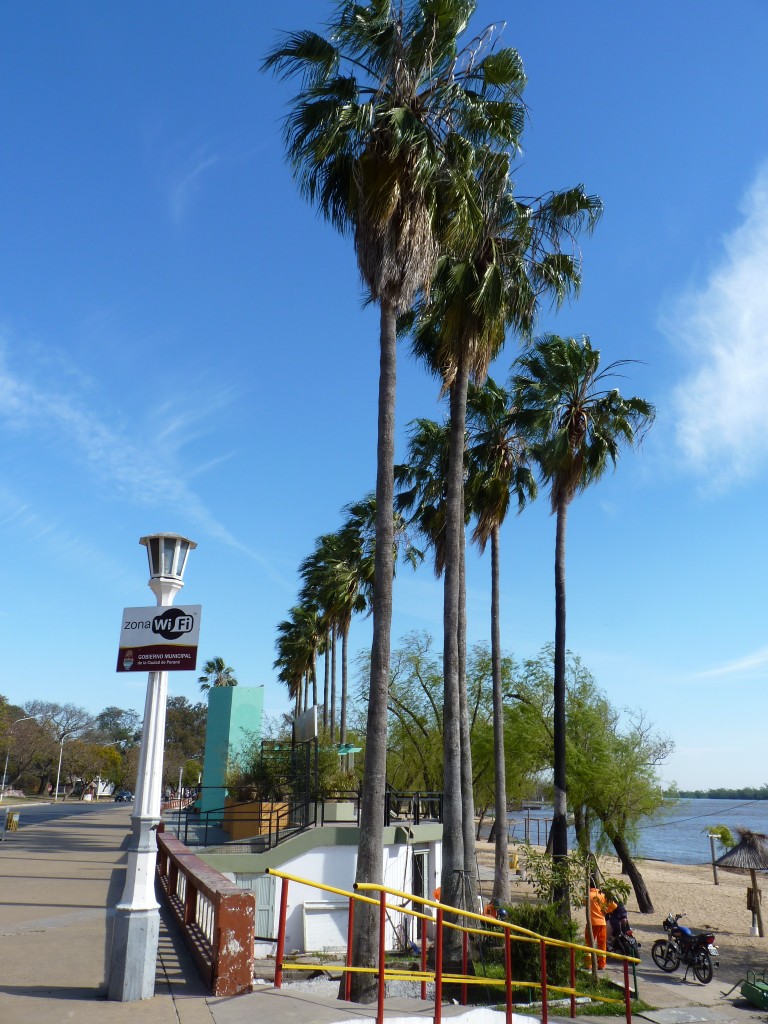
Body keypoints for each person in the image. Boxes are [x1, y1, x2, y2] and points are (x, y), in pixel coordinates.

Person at [588, 878, 617, 969]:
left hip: (591, 923)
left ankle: (588, 964)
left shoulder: (588, 895)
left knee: (589, 944)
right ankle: (602, 964)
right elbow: (614, 906)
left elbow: (584, 904)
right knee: (602, 944)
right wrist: (605, 911)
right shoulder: (602, 895)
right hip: (602, 922)